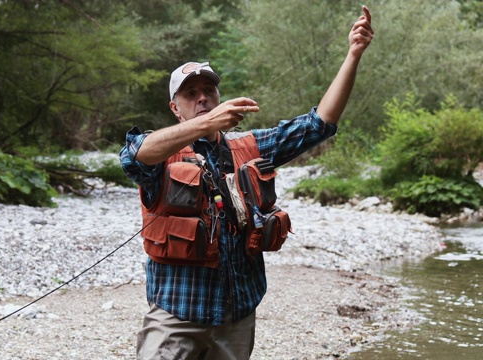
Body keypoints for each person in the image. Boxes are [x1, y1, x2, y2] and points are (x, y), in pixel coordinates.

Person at [120, 6, 373, 360]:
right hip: (175, 315)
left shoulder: (251, 147)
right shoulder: (159, 152)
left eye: (209, 90)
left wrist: (353, 55)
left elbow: (321, 123)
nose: (202, 97)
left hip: (236, 317)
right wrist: (204, 125)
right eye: (190, 94)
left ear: (220, 97)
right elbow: (133, 154)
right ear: (175, 107)